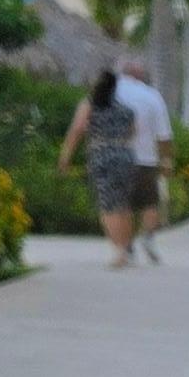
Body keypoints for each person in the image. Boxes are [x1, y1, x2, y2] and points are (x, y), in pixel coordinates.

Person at [55, 68, 142, 264]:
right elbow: (134, 131)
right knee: (123, 204)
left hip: (101, 155)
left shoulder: (89, 104)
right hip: (125, 155)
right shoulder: (124, 108)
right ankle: (127, 247)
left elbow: (77, 130)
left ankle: (119, 251)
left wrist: (65, 157)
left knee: (107, 205)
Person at [113, 48, 173, 264]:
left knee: (124, 204)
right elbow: (164, 135)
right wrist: (166, 159)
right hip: (147, 159)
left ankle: (127, 245)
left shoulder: (111, 94)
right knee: (150, 203)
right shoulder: (152, 96)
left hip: (118, 157)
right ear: (140, 74)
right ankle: (148, 237)